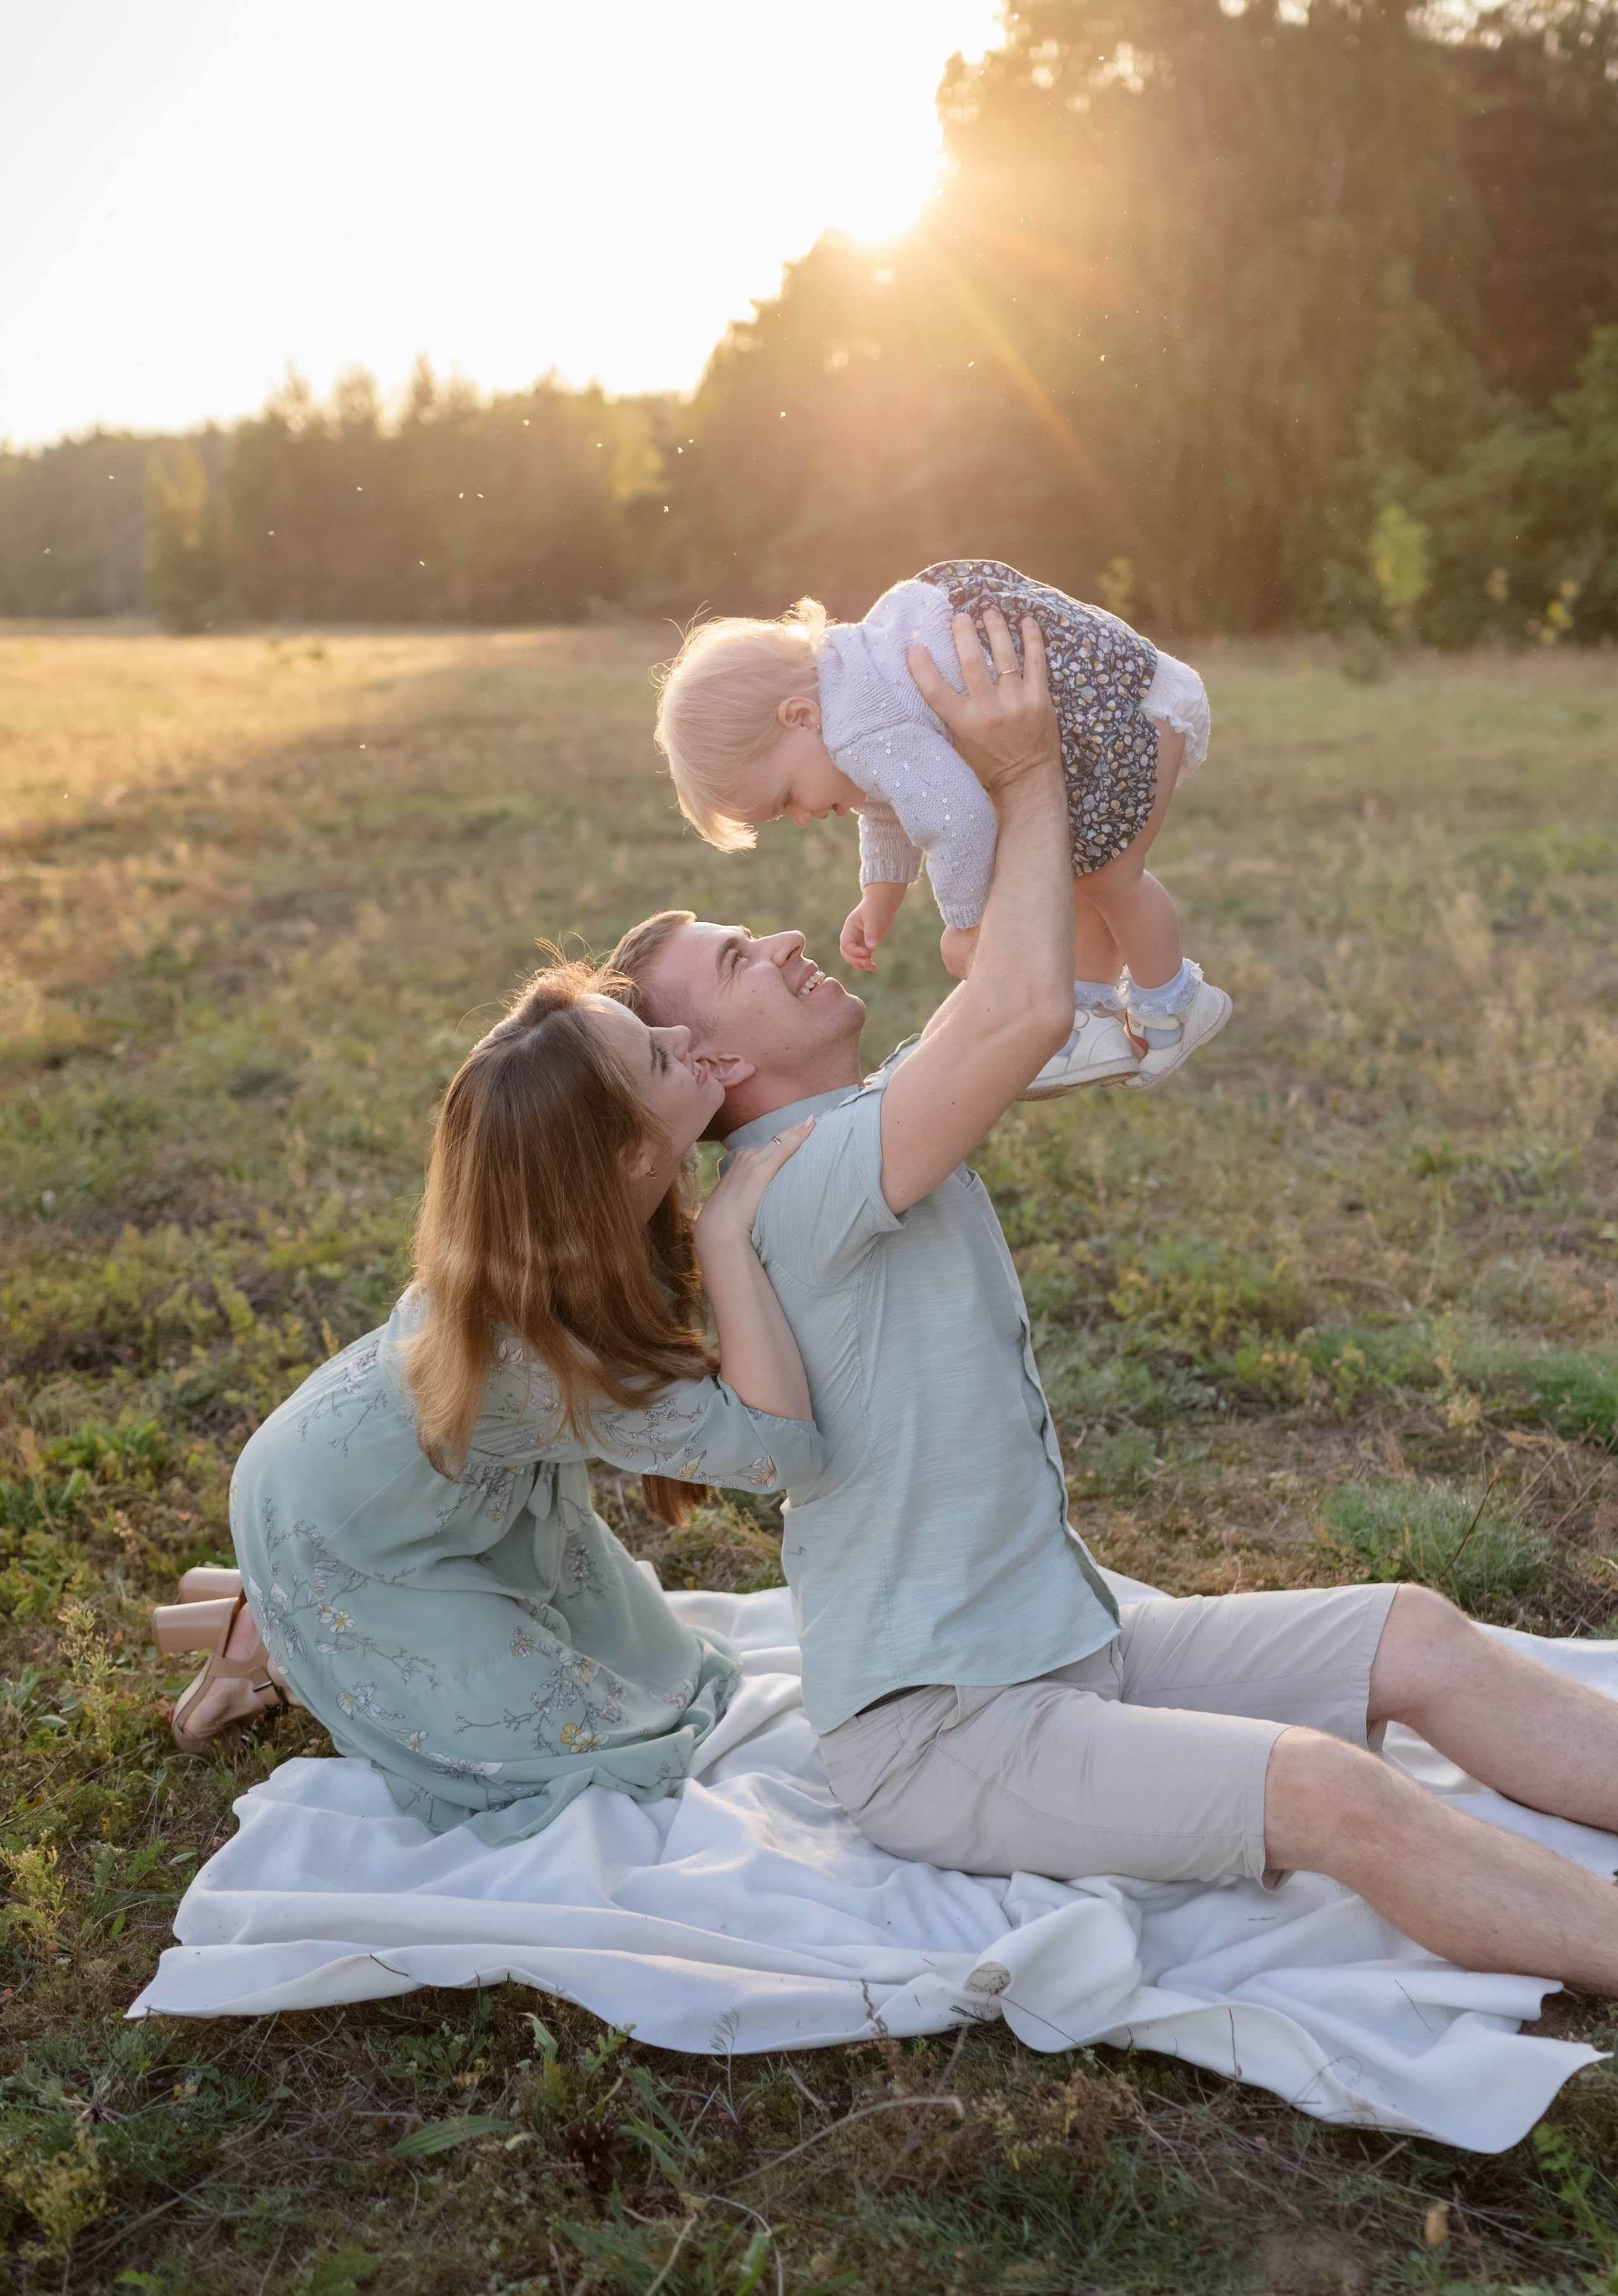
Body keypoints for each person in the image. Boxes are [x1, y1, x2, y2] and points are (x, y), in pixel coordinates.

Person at [616, 601, 1618, 1997]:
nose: (783, 938)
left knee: (1418, 1632)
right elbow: (1020, 1010)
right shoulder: (799, 1180)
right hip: (945, 1732)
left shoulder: (870, 1119)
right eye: (736, 963)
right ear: (710, 1067)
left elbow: (1033, 1016)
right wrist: (1024, 776)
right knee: (1334, 1795)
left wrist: (1086, 851)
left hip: (1063, 1648)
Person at [153, 962, 822, 1844]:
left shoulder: (553, 1239)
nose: (683, 1040)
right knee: (604, 1754)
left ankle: (271, 1629)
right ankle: (292, 1633)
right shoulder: (543, 1357)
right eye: (660, 1058)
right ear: (627, 1155)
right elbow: (780, 1454)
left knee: (662, 1667)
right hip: (337, 1531)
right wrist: (726, 1230)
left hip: (393, 1483)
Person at [652, 557, 1228, 1096]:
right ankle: (1090, 1015)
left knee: (1110, 877)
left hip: (1120, 714)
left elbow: (957, 820)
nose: (802, 818)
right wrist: (881, 896)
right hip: (1114, 699)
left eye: (786, 800)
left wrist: (965, 924)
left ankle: (1174, 1001)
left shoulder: (856, 727)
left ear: (801, 718)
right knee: (1078, 872)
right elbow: (890, 800)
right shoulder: (856, 680)